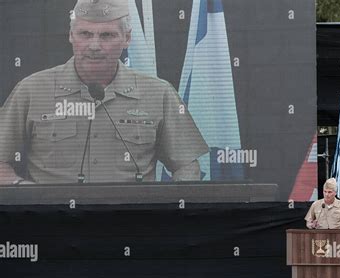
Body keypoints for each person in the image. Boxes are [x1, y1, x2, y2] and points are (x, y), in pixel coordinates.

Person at [0, 0, 209, 185]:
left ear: (127, 38)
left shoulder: (157, 93)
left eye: (107, 35)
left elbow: (188, 167)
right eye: (85, 34)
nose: (94, 45)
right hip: (53, 223)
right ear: (71, 36)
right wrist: (23, 189)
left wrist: (165, 209)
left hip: (131, 223)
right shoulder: (32, 91)